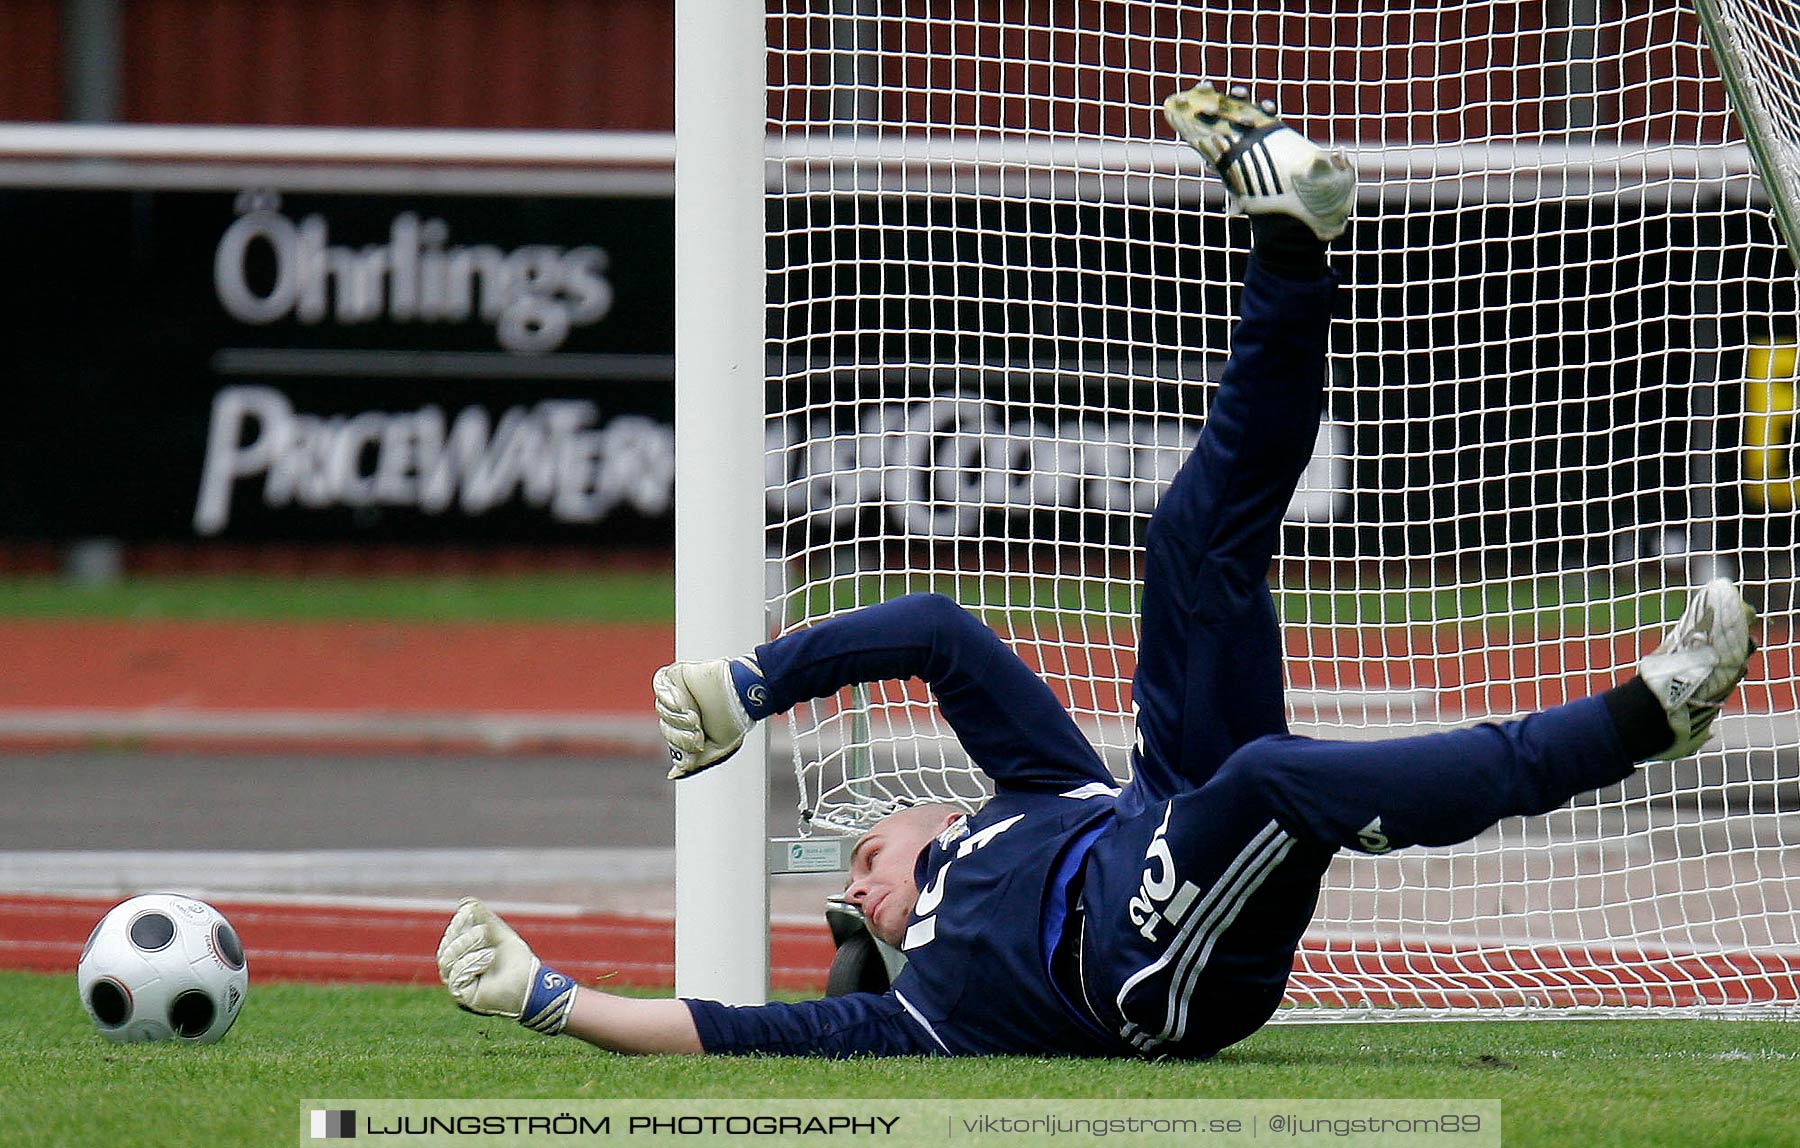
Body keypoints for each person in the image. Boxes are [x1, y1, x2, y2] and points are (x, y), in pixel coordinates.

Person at [435, 83, 1758, 1059]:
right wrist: (554, 1000)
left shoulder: (1035, 788)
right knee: (1267, 783)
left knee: (1193, 550)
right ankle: (1638, 725)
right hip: (1154, 963)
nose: (856, 876)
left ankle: (1295, 239)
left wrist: (751, 679)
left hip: (1153, 814)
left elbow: (942, 631)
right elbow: (731, 1029)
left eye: (860, 863)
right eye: (857, 896)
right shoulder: (927, 1002)